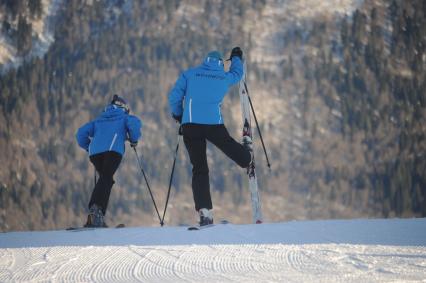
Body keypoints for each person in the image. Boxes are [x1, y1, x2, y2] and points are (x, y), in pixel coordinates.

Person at [168, 47, 252, 226]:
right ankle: (246, 158)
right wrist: (236, 57)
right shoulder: (223, 76)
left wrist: (178, 114)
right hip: (213, 123)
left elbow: (174, 96)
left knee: (199, 167)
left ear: (205, 61)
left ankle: (205, 212)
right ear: (221, 64)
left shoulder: (190, 74)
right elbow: (238, 73)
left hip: (190, 125)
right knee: (228, 144)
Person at [76, 94, 142, 227]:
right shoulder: (124, 117)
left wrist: (89, 147)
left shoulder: (99, 120)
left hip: (95, 153)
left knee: (106, 179)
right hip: (112, 151)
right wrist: (134, 140)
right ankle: (96, 212)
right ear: (124, 107)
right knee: (106, 178)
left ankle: (96, 216)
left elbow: (80, 134)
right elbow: (134, 123)